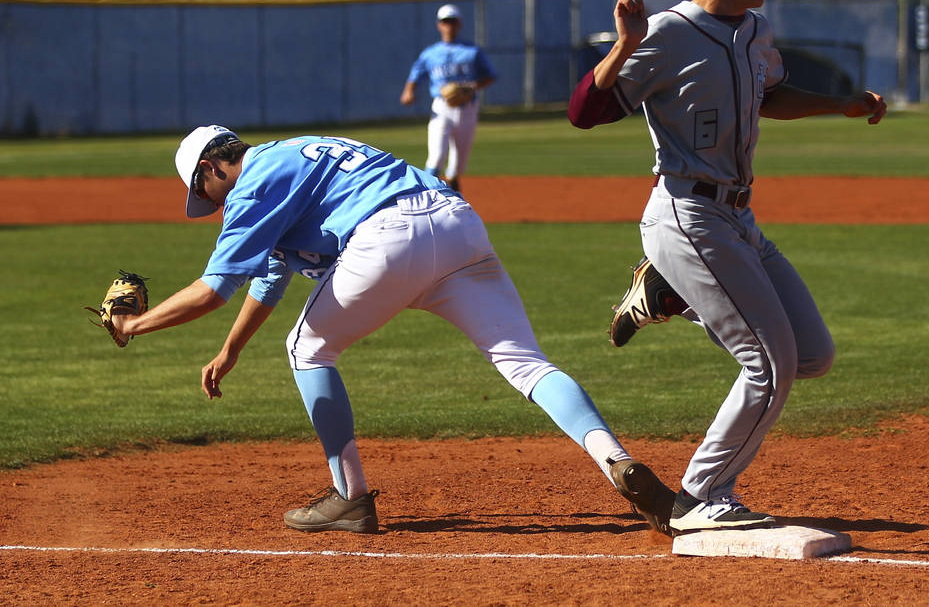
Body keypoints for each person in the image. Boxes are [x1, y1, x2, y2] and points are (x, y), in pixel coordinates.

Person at [111, 125, 674, 535]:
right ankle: (617, 461)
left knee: (307, 347)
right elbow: (269, 278)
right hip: (456, 223)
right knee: (525, 362)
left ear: (212, 166)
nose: (208, 204)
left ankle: (350, 498)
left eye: (201, 191)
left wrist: (135, 324)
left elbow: (213, 289)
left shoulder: (253, 183)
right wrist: (230, 350)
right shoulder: (295, 155)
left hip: (388, 235)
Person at [567, 0, 887, 534]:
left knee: (813, 355)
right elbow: (585, 112)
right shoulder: (665, 35)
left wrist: (840, 105)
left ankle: (666, 294)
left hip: (739, 220)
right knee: (769, 365)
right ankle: (701, 495)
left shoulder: (754, 29)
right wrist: (625, 44)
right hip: (688, 213)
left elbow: (772, 95)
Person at [400, 3, 497, 193]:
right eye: (445, 22)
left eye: (452, 21)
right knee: (436, 157)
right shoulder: (430, 54)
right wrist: (408, 91)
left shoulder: (472, 51)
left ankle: (453, 188)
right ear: (439, 25)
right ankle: (425, 194)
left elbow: (489, 76)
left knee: (458, 165)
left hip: (468, 108)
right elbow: (415, 74)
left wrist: (470, 87)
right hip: (441, 108)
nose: (449, 26)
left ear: (459, 24)